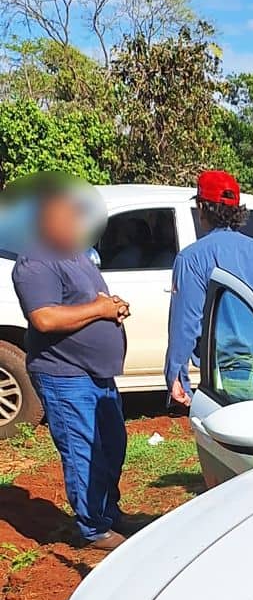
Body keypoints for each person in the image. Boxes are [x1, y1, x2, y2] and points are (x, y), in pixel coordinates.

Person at [10, 179, 132, 550]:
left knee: (111, 445)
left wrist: (112, 306)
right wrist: (100, 309)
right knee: (84, 450)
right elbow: (45, 317)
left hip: (97, 374)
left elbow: (87, 301)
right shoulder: (35, 261)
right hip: (66, 375)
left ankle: (109, 511)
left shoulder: (75, 254)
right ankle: (94, 527)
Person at [165, 170, 253, 406]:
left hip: (226, 375)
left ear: (203, 208)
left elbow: (186, 324)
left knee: (226, 442)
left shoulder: (192, 258)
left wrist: (176, 375)